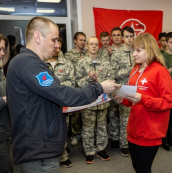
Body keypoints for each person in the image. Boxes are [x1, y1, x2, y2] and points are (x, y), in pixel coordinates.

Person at [6, 16, 119, 173]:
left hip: (39, 150)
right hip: (38, 154)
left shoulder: (29, 62)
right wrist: (99, 88)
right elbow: (62, 94)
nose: (57, 45)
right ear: (37, 36)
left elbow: (42, 100)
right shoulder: (28, 63)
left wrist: (69, 107)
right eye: (54, 40)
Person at [115, 33, 172, 173]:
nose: (134, 54)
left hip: (150, 131)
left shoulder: (161, 71)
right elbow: (131, 99)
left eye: (138, 50)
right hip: (134, 129)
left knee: (143, 169)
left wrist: (143, 99)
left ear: (149, 50)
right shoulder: (135, 70)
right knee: (137, 168)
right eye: (134, 50)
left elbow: (168, 102)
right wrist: (122, 98)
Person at [76, 37, 114, 164]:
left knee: (102, 126)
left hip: (102, 102)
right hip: (88, 102)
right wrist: (89, 79)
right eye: (91, 44)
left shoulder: (106, 63)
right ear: (86, 46)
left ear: (99, 47)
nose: (93, 46)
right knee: (88, 127)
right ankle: (89, 151)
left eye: (96, 44)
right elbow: (77, 83)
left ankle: (101, 149)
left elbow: (111, 80)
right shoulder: (81, 63)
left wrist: (100, 82)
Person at [46, 37, 74, 168]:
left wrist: (58, 87)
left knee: (62, 130)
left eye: (59, 47)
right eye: (54, 46)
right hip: (45, 104)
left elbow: (72, 83)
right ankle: (49, 157)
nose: (57, 49)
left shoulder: (67, 63)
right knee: (47, 131)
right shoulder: (41, 63)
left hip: (62, 104)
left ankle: (63, 156)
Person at [109, 26, 134, 156]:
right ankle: (124, 144)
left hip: (135, 89)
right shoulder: (117, 53)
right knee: (123, 117)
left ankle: (129, 140)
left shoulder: (137, 52)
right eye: (127, 37)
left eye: (131, 36)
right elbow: (113, 73)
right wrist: (130, 69)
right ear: (123, 38)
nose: (129, 39)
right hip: (122, 88)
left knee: (132, 117)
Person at [64, 31, 87, 146]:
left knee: (85, 112)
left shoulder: (87, 53)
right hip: (74, 88)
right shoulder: (68, 55)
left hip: (85, 87)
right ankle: (74, 135)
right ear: (75, 41)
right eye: (80, 40)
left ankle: (84, 134)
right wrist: (79, 62)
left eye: (84, 40)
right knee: (74, 114)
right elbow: (67, 70)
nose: (82, 42)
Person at [0, 33, 13, 173]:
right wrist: (5, 99)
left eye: (3, 50)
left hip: (4, 129)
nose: (2, 53)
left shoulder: (0, 70)